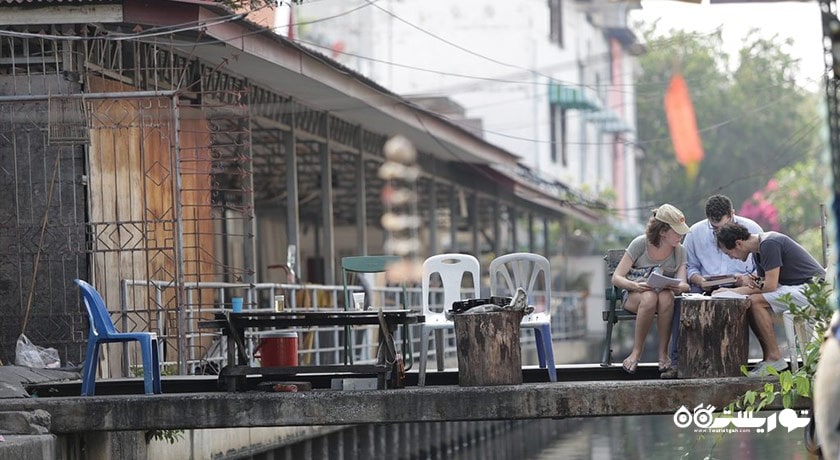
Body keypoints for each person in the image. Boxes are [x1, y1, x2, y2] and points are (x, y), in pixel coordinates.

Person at [661, 195, 763, 379]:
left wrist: (745, 280)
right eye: (715, 228)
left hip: (741, 286)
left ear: (732, 215)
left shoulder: (752, 229)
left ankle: (748, 360)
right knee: (682, 303)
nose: (719, 232)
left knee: (753, 303)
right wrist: (699, 280)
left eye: (724, 227)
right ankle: (677, 361)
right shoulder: (695, 232)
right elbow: (689, 265)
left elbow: (760, 268)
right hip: (704, 286)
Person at [715, 222, 826, 377]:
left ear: (738, 243)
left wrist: (731, 291)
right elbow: (764, 283)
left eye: (729, 253)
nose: (732, 258)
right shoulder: (757, 252)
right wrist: (747, 282)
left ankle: (774, 357)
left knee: (755, 301)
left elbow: (770, 286)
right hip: (796, 288)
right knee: (752, 301)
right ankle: (770, 357)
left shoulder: (769, 243)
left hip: (814, 289)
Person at [611, 203, 691, 374]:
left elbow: (684, 283)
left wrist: (675, 286)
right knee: (650, 297)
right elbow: (617, 277)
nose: (681, 236)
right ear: (662, 232)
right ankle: (636, 352)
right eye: (677, 232)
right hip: (636, 295)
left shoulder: (679, 251)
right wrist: (635, 286)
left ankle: (663, 353)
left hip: (663, 296)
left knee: (666, 296)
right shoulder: (640, 244)